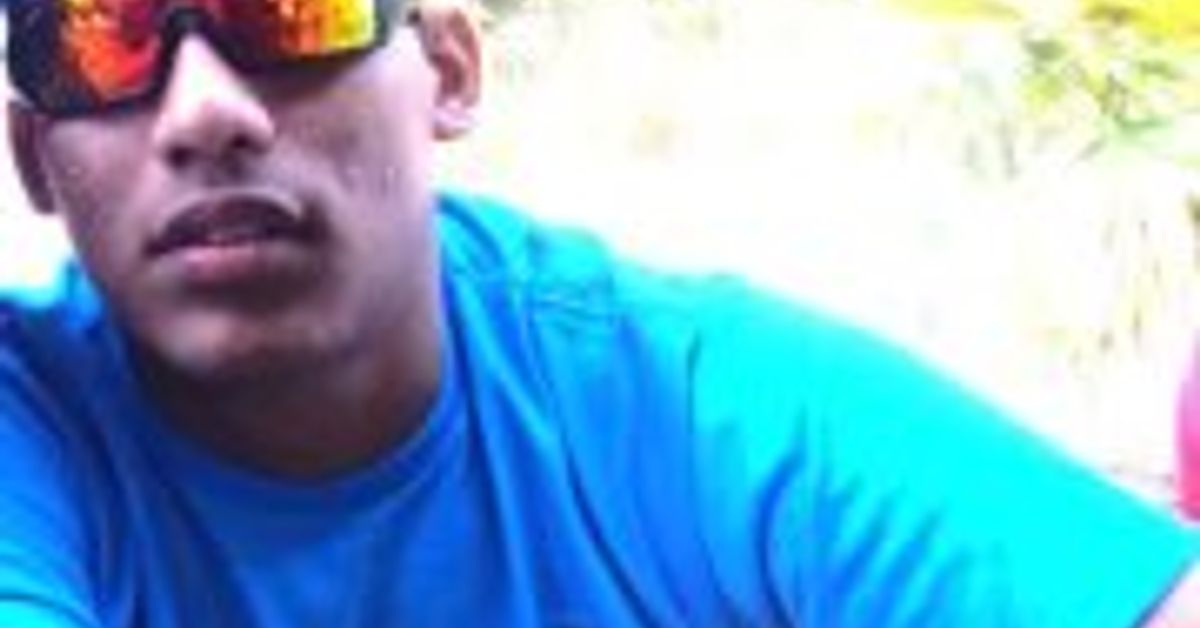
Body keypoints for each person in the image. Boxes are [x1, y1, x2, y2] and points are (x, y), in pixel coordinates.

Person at [0, 0, 1198, 625]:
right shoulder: (32, 424)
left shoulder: (689, 398)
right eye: (101, 43)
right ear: (34, 156)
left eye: (289, 14)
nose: (206, 112)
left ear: (448, 72)